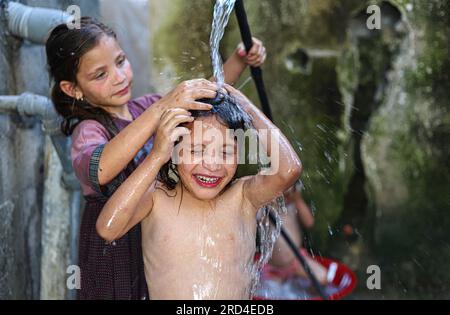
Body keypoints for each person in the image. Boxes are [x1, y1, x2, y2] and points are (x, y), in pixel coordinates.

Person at [45, 17, 267, 299]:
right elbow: (99, 169)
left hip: (154, 234)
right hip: (115, 248)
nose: (119, 76)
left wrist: (238, 60)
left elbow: (203, 97)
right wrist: (164, 107)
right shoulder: (89, 130)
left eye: (121, 61)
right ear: (72, 89)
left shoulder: (146, 106)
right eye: (100, 75)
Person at [96, 85, 302, 299]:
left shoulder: (243, 197)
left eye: (226, 151)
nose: (213, 165)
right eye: (196, 150)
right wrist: (156, 156)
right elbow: (108, 228)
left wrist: (246, 108)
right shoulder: (157, 198)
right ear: (172, 150)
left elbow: (289, 170)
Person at [265, 181, 328, 284]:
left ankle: (310, 294)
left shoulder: (293, 204)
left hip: (296, 261)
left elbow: (309, 223)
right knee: (270, 292)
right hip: (271, 267)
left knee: (322, 278)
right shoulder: (265, 208)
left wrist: (297, 200)